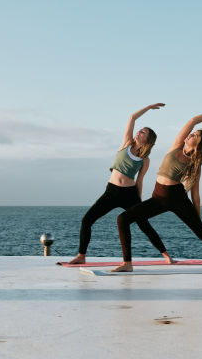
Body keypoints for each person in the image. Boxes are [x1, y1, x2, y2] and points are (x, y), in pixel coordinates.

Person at [112, 100, 202, 272]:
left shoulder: (195, 165)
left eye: (195, 136)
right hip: (158, 198)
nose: (191, 135)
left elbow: (196, 195)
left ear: (198, 145)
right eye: (192, 134)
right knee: (123, 219)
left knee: (201, 232)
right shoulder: (177, 146)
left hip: (177, 198)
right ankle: (127, 264)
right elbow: (192, 120)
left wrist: (198, 218)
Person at [67, 103, 173, 265]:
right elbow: (132, 118)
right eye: (140, 130)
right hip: (111, 192)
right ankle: (81, 255)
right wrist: (148, 107)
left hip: (130, 195)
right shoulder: (126, 144)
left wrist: (139, 201)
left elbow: (140, 181)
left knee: (144, 224)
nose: (139, 131)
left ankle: (166, 255)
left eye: (143, 132)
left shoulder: (145, 160)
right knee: (87, 220)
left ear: (148, 140)